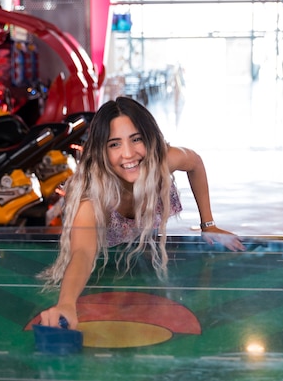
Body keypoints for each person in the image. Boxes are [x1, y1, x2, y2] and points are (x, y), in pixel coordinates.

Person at [38, 96, 243, 329]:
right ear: (101, 151)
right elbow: (83, 253)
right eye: (114, 144)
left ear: (150, 139)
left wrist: (208, 224)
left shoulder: (162, 160)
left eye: (136, 140)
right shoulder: (92, 197)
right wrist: (66, 303)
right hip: (102, 267)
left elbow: (195, 162)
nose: (128, 154)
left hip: (141, 252)